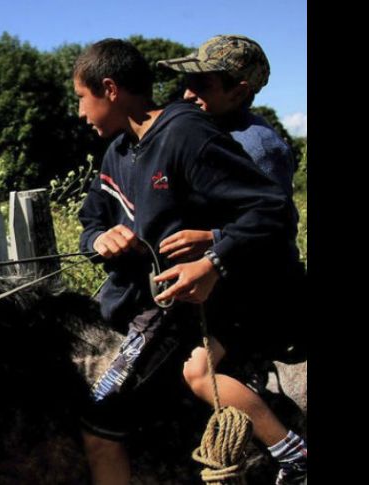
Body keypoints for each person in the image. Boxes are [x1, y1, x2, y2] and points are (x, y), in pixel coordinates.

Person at [73, 38, 302, 484]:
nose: (80, 112)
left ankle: (294, 455)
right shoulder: (117, 150)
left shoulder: (190, 135)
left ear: (110, 89)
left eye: (81, 98)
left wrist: (213, 259)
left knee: (100, 419)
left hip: (189, 308)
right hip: (139, 303)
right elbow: (90, 221)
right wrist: (100, 239)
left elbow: (271, 211)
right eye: (186, 81)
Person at [156, 35, 307, 484]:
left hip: (260, 290)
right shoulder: (206, 134)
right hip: (224, 282)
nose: (188, 94)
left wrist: (213, 237)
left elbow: (275, 226)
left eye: (203, 84)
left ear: (240, 91)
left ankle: (291, 452)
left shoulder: (259, 147)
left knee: (199, 371)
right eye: (188, 83)